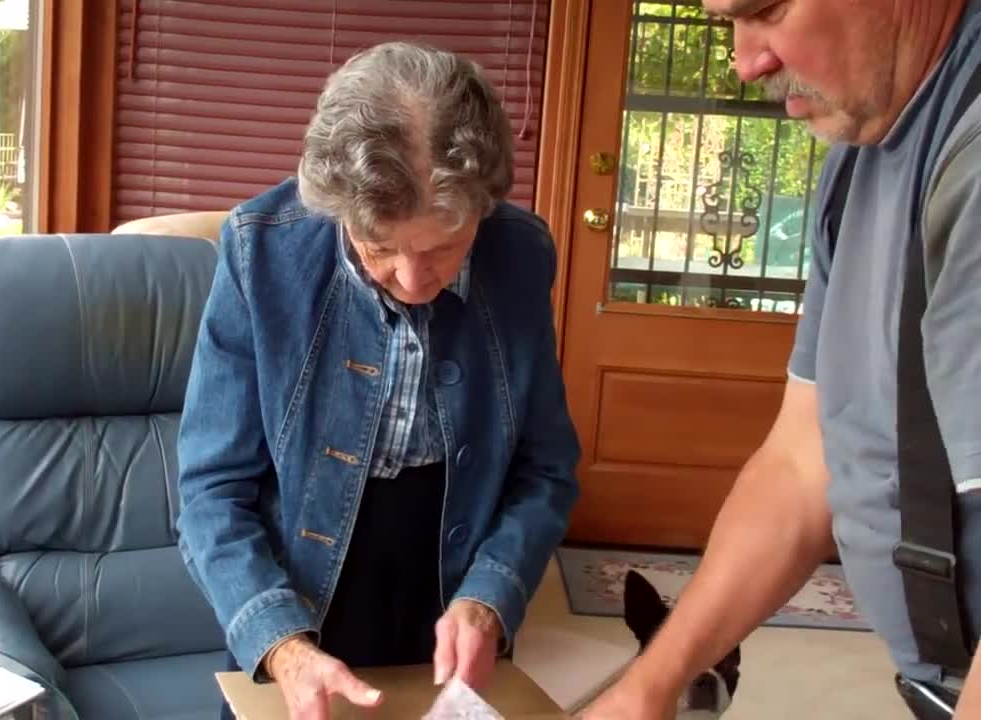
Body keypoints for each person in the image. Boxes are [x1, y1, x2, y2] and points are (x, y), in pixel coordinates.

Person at [579, 1, 981, 718]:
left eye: (765, 9)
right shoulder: (857, 157)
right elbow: (802, 462)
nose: (745, 62)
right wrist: (648, 686)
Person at [173, 41, 581, 719]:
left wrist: (491, 594)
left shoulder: (521, 254)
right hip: (298, 578)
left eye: (445, 247)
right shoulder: (260, 252)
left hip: (454, 565)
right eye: (380, 248)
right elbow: (212, 490)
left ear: (483, 207)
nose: (416, 281)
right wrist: (282, 646)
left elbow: (545, 468)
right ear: (337, 211)